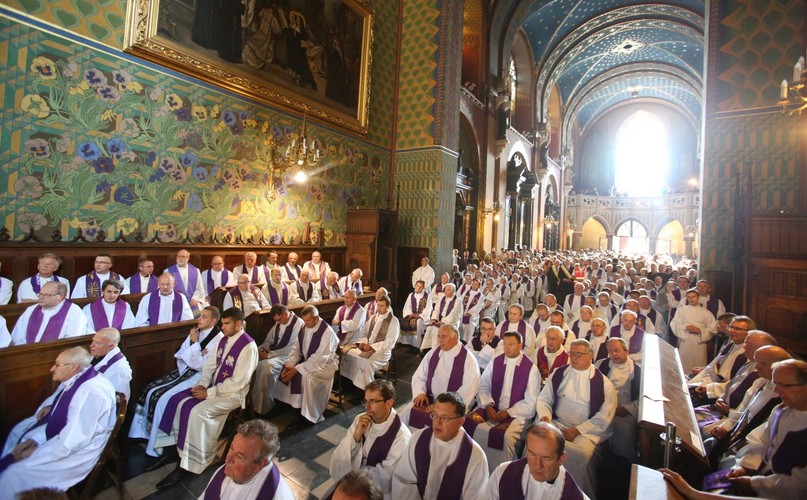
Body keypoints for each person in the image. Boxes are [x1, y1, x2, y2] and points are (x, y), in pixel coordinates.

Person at [154, 308, 258, 488]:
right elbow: (209, 366)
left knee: (197, 412)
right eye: (222, 324)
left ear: (238, 324)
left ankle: (189, 464)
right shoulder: (224, 340)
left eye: (227, 324)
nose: (223, 327)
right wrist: (202, 384)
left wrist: (208, 393)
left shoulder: (248, 346)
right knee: (178, 403)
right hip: (214, 388)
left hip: (232, 395)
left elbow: (238, 383)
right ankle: (177, 449)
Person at [0, 347, 116, 496]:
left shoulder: (89, 391)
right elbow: (61, 421)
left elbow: (73, 440)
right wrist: (36, 440)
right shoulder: (78, 380)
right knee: (15, 458)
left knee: (14, 474)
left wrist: (36, 453)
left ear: (73, 367)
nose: (51, 369)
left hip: (79, 452)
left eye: (57, 364)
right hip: (68, 442)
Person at [130, 307, 223, 461]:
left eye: (204, 317)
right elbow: (181, 354)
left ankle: (157, 446)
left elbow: (202, 366)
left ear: (213, 321)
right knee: (151, 389)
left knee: (162, 399)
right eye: (200, 315)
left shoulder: (218, 339)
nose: (199, 319)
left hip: (198, 378)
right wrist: (197, 352)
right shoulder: (196, 331)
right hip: (184, 371)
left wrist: (194, 345)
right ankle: (142, 434)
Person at [536, 339, 617, 498]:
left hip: (586, 431)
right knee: (538, 446)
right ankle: (539, 490)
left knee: (580, 456)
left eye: (579, 354)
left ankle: (578, 495)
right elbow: (544, 398)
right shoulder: (560, 373)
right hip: (556, 424)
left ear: (590, 356)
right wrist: (545, 416)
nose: (574, 358)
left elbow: (604, 417)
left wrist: (578, 430)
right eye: (571, 353)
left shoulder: (603, 384)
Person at [719, 359, 807, 498]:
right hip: (761, 474)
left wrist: (754, 484)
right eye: (775, 383)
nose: (777, 390)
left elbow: (801, 485)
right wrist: (745, 466)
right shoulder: (780, 410)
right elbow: (761, 442)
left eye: (785, 385)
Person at [392, 392, 489, 499]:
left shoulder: (475, 457)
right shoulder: (418, 439)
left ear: (460, 421)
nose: (437, 422)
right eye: (435, 415)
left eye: (444, 418)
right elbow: (403, 480)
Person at [465, 331, 540, 471]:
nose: (507, 347)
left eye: (511, 344)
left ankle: (501, 472)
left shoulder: (531, 369)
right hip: (492, 406)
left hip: (516, 414)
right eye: (505, 344)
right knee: (469, 423)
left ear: (520, 345)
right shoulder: (496, 362)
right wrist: (487, 405)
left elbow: (531, 402)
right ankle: (472, 468)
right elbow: (484, 385)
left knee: (505, 437)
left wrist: (508, 412)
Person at [707, 346, 790, 469]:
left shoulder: (783, 401)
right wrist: (726, 426)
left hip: (754, 454)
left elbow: (763, 438)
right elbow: (743, 411)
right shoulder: (760, 383)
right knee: (707, 445)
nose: (756, 367)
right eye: (756, 362)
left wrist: (744, 465)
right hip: (739, 437)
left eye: (763, 363)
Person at [330, 381, 411, 497]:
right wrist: (356, 436)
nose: (367, 407)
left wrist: (356, 475)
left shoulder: (401, 436)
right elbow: (341, 455)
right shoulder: (360, 419)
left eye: (373, 401)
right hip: (351, 478)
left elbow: (387, 477)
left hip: (372, 492)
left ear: (389, 403)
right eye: (366, 401)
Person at [399, 325, 480, 429]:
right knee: (408, 411)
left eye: (444, 336)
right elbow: (420, 375)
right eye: (439, 336)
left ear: (455, 338)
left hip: (451, 406)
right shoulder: (434, 352)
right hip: (429, 399)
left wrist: (440, 406)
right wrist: (420, 392)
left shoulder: (469, 361)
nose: (440, 340)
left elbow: (468, 390)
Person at [273, 305, 339, 425]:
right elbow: (296, 349)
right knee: (284, 369)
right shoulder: (304, 327)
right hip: (308, 362)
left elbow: (319, 358)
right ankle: (287, 405)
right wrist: (290, 364)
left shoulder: (327, 332)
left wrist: (297, 369)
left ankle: (305, 415)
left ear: (316, 318)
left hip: (324, 366)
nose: (305, 323)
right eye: (304, 320)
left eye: (308, 320)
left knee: (306, 377)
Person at [486, 422, 588, 499]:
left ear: (561, 459)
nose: (538, 465)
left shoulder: (574, 496)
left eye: (546, 458)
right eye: (532, 454)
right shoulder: (503, 473)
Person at [198, 419, 294, 499]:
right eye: (232, 448)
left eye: (239, 456)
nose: (227, 459)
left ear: (260, 464)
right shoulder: (222, 473)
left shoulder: (276, 496)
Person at [252, 304, 304, 415]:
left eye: (279, 319)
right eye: (276, 320)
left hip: (288, 356)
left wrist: (269, 355)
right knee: (254, 363)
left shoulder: (298, 324)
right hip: (275, 353)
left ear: (286, 314)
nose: (278, 323)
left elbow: (293, 348)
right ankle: (252, 403)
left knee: (266, 367)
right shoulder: (279, 322)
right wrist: (260, 349)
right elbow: (269, 340)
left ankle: (265, 406)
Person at [596, 337, 641, 462]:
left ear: (626, 351)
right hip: (602, 409)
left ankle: (624, 466)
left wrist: (626, 409)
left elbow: (641, 398)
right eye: (610, 351)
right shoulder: (601, 364)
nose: (613, 354)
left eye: (617, 350)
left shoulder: (637, 371)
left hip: (624, 411)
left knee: (625, 439)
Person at [689, 316, 755, 401]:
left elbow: (736, 383)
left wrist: (708, 388)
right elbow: (716, 371)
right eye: (731, 327)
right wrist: (702, 383)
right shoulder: (731, 345)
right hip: (712, 386)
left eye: (737, 329)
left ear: (749, 332)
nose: (732, 331)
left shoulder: (748, 354)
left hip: (722, 394)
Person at [341, 296, 399, 390]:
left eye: (382, 306)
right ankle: (349, 383)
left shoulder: (393, 321)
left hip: (382, 352)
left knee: (366, 363)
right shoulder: (373, 317)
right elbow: (363, 333)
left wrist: (372, 347)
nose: (379, 308)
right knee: (347, 353)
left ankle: (366, 389)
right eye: (378, 305)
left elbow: (390, 342)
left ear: (388, 307)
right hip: (367, 347)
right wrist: (363, 342)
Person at [10, 281, 86, 345]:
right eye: (40, 294)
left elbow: (72, 340)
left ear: (60, 296)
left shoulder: (74, 312)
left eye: (46, 295)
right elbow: (17, 337)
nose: (41, 298)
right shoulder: (31, 310)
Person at [89, 327, 132, 400]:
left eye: (98, 343)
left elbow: (118, 399)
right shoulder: (97, 355)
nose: (91, 345)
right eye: (93, 341)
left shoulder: (119, 368)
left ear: (111, 346)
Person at [420, 283, 462, 351]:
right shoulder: (442, 298)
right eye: (445, 290)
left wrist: (443, 321)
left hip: (451, 322)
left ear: (453, 292)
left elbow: (454, 314)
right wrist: (434, 319)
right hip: (440, 319)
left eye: (448, 290)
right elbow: (436, 309)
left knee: (437, 329)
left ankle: (437, 349)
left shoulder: (458, 301)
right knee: (430, 327)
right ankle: (428, 347)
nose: (445, 291)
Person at [400, 280, 432, 348]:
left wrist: (419, 315)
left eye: (420, 287)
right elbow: (407, 306)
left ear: (423, 288)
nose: (418, 288)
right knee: (404, 321)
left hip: (422, 318)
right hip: (411, 315)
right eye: (417, 286)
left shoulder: (427, 296)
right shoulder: (411, 295)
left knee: (418, 323)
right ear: (415, 286)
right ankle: (406, 343)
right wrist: (410, 314)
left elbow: (428, 309)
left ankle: (415, 345)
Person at [459, 278, 485, 342]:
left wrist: (470, 313)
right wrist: (461, 310)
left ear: (479, 286)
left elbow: (479, 306)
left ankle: (468, 341)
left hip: (472, 314)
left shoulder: (480, 296)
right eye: (473, 284)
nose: (474, 285)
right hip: (463, 311)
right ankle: (460, 339)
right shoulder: (466, 292)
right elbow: (460, 300)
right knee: (460, 325)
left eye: (476, 284)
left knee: (469, 326)